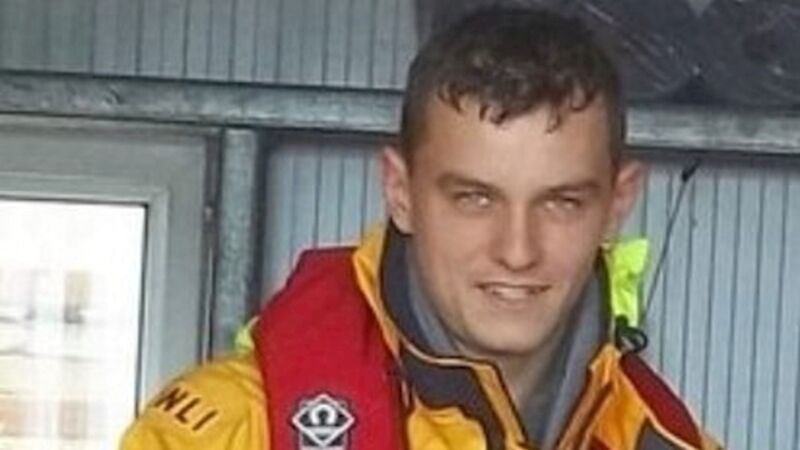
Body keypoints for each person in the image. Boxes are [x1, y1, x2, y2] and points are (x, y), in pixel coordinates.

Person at [121, 6, 722, 450]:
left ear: (618, 202)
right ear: (400, 192)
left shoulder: (667, 441)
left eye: (561, 203)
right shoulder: (228, 432)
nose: (518, 251)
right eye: (474, 199)